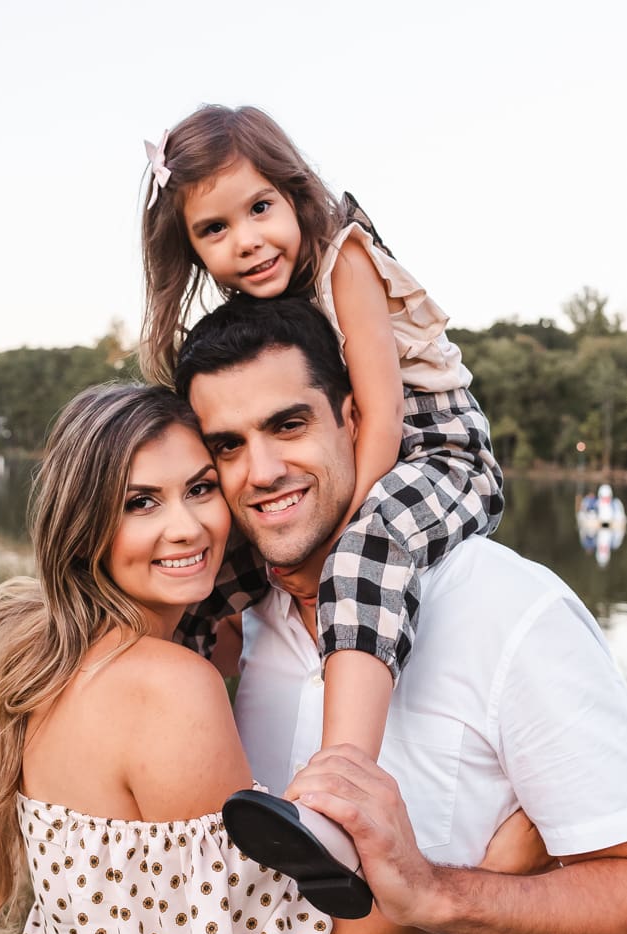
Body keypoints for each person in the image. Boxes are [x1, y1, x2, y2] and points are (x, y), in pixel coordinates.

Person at [0, 382, 535, 934]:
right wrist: (488, 875)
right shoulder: (167, 684)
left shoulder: (61, 662)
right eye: (140, 503)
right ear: (83, 526)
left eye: (200, 489)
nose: (187, 527)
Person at [175, 294, 627, 934]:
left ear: (355, 418)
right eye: (228, 445)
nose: (263, 471)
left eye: (289, 425)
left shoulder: (510, 611)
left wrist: (437, 894)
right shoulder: (226, 633)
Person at [139, 105, 504, 825]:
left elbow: (381, 415)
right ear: (190, 249)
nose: (246, 241)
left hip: (440, 454)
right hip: (365, 462)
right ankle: (160, 748)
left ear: (295, 191)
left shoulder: (345, 260)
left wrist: (337, 535)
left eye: (260, 208)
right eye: (214, 229)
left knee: (364, 552)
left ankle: (342, 788)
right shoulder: (258, 312)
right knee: (207, 576)